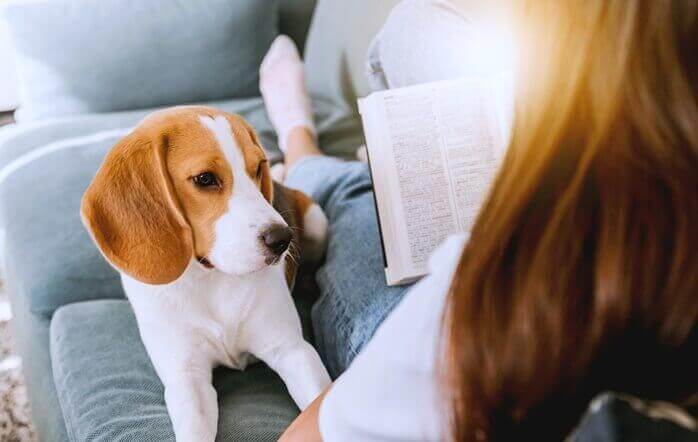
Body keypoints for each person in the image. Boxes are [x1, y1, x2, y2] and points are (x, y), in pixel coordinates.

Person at [259, 0, 698, 440]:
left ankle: (301, 147)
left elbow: (307, 435)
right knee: (419, 31)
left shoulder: (503, 298)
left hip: (466, 325)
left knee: (352, 203)